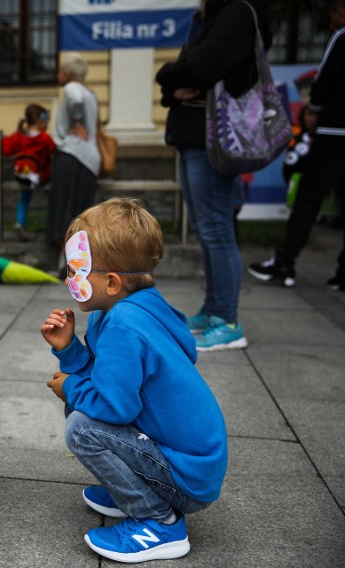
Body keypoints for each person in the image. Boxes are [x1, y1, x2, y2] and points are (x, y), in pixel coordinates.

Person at [40, 198, 227, 563]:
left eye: (77, 270)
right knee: (82, 407)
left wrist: (71, 386)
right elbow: (109, 377)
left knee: (81, 426)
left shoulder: (123, 325)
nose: (69, 278)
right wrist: (70, 352)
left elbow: (114, 406)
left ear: (111, 282)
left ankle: (158, 519)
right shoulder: (133, 306)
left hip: (187, 476)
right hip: (191, 462)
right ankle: (135, 488)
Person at [156, 0, 271, 351]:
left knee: (216, 230)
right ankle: (213, 309)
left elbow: (197, 68)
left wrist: (169, 75)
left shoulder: (236, 11)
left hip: (212, 141)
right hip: (195, 137)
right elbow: (182, 77)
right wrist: (174, 82)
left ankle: (228, 321)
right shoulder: (208, 17)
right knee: (208, 232)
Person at [248, 0, 345, 292]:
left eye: (332, 15)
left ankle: (284, 263)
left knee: (307, 200)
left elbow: (324, 79)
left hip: (334, 131)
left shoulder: (342, 35)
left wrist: (314, 110)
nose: (330, 24)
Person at [47, 52, 100, 255]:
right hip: (89, 159)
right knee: (81, 210)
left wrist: (76, 122)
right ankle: (78, 257)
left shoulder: (72, 88)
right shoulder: (90, 93)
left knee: (64, 210)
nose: (58, 74)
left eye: (60, 70)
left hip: (72, 154)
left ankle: (66, 259)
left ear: (68, 73)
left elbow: (74, 100)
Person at [1, 104, 55, 239]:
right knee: (51, 197)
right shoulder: (44, 138)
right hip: (41, 176)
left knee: (24, 199)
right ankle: (51, 224)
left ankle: (19, 223)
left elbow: (6, 149)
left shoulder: (19, 136)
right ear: (40, 119)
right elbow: (53, 149)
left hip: (22, 175)